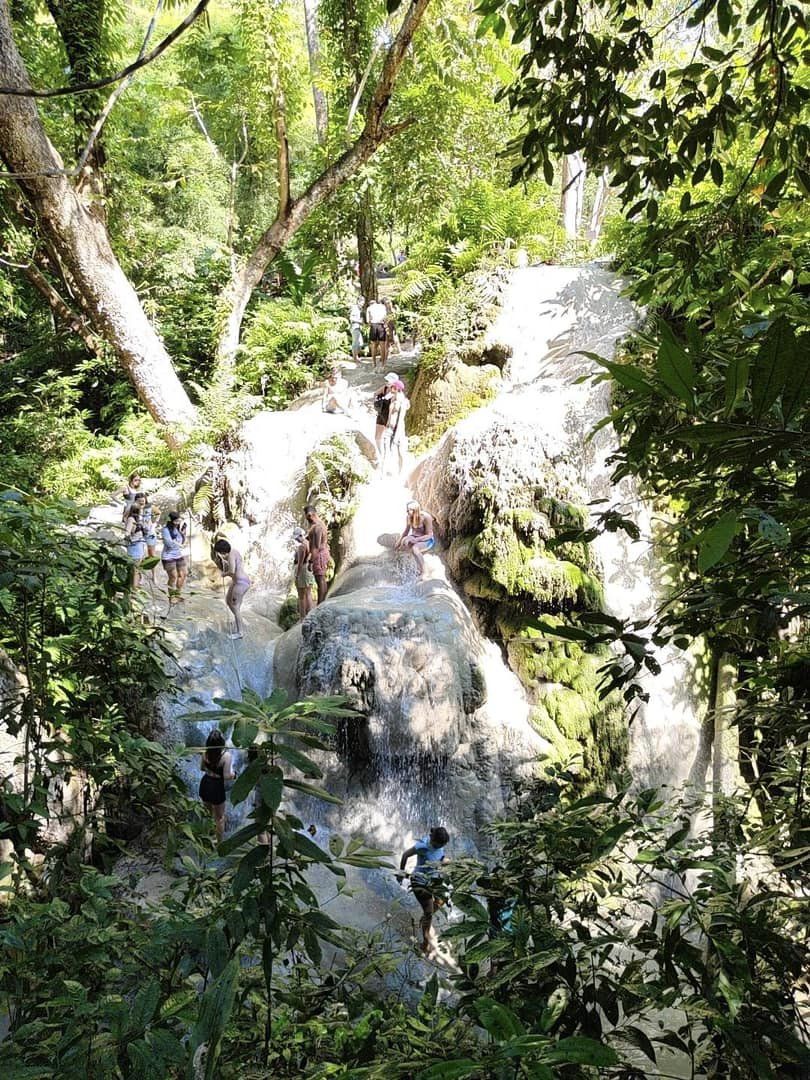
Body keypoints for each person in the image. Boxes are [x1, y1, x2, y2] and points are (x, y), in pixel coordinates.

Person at [398, 826, 451, 955]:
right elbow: (405, 854)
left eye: (443, 845)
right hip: (420, 882)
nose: (441, 846)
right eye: (440, 844)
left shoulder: (438, 844)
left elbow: (439, 858)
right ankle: (425, 943)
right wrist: (401, 872)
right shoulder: (422, 846)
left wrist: (448, 862)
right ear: (434, 840)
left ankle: (424, 920)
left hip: (434, 881)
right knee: (429, 912)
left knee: (443, 900)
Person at [199, 728, 235, 843]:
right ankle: (219, 844)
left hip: (205, 784)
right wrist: (234, 775)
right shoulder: (226, 756)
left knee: (207, 813)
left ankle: (206, 838)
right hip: (216, 786)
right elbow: (226, 776)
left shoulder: (205, 753)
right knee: (219, 818)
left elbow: (201, 768)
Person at [213, 538, 250, 639]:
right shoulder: (233, 551)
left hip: (241, 583)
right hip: (237, 582)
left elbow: (232, 571)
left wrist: (224, 574)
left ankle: (240, 632)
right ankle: (239, 619)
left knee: (235, 606)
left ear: (222, 552)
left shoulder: (230, 556)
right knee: (228, 601)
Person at [396, 499, 435, 577]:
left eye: (408, 511)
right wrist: (398, 542)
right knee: (404, 541)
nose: (407, 512)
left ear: (415, 510)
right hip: (414, 537)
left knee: (415, 548)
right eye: (406, 510)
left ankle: (425, 572)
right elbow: (406, 531)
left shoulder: (426, 517)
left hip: (427, 540)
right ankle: (416, 566)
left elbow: (430, 535)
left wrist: (416, 540)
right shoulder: (408, 517)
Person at [304, 504, 330, 604]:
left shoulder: (317, 527)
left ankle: (320, 604)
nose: (308, 520)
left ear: (311, 514)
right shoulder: (320, 524)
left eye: (307, 517)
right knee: (321, 579)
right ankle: (321, 602)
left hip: (319, 555)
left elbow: (316, 546)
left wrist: (310, 561)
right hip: (322, 554)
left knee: (320, 580)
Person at [384, 380, 410, 475]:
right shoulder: (393, 397)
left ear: (397, 389)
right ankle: (384, 472)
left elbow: (400, 418)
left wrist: (396, 433)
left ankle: (400, 472)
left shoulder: (401, 401)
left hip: (397, 429)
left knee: (400, 450)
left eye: (393, 387)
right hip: (390, 428)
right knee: (387, 449)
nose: (390, 389)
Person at [161, 510, 188, 602]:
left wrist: (183, 534)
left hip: (178, 555)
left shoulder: (177, 529)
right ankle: (171, 596)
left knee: (183, 574)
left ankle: (178, 594)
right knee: (173, 576)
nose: (177, 523)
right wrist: (180, 545)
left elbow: (182, 540)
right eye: (176, 521)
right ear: (171, 521)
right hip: (168, 556)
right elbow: (169, 543)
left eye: (178, 521)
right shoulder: (165, 530)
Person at [373, 373, 398, 460]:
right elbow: (375, 393)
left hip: (388, 417)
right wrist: (377, 403)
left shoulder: (395, 392)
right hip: (381, 414)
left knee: (386, 439)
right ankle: (381, 454)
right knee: (377, 437)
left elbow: (394, 407)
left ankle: (387, 457)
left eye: (389, 380)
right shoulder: (385, 388)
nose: (387, 382)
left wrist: (390, 421)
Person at [292, 526, 315, 618]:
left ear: (300, 536)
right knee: (308, 593)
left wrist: (297, 575)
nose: (296, 540)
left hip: (302, 571)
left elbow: (300, 563)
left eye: (297, 538)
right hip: (309, 570)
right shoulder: (309, 543)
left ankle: (302, 618)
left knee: (301, 596)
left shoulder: (302, 547)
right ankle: (311, 614)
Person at [124, 503, 147, 588]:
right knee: (135, 570)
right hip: (137, 546)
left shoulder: (133, 519)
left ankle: (134, 588)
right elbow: (127, 533)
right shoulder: (135, 519)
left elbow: (127, 533)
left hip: (136, 546)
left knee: (135, 570)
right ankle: (135, 589)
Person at [133, 492, 158, 564]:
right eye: (139, 501)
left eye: (142, 501)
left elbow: (158, 513)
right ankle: (140, 574)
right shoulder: (134, 508)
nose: (141, 503)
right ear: (135, 501)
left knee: (152, 554)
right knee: (139, 555)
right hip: (139, 533)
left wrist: (154, 524)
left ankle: (154, 574)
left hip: (150, 532)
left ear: (145, 500)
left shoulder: (149, 507)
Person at [366, 296, 388, 371]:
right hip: (381, 325)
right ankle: (383, 364)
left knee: (373, 345)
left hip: (373, 325)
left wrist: (371, 324)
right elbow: (385, 317)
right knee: (382, 345)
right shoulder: (382, 306)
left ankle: (374, 363)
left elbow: (368, 320)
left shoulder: (369, 308)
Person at [349, 296, 364, 362]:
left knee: (360, 343)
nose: (362, 304)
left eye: (363, 302)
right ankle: (355, 358)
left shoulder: (359, 309)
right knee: (355, 342)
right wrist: (359, 321)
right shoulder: (355, 308)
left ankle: (356, 356)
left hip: (358, 327)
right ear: (358, 301)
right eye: (361, 302)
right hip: (355, 326)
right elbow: (351, 318)